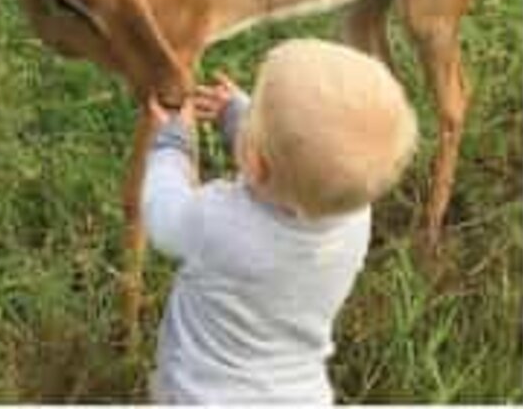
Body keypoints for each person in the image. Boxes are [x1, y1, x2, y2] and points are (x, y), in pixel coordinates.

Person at [143, 38, 418, 404]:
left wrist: (170, 147)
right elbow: (292, 162)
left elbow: (164, 217)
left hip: (198, 393)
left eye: (255, 111)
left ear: (255, 162)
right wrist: (238, 116)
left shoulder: (221, 223)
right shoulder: (354, 216)